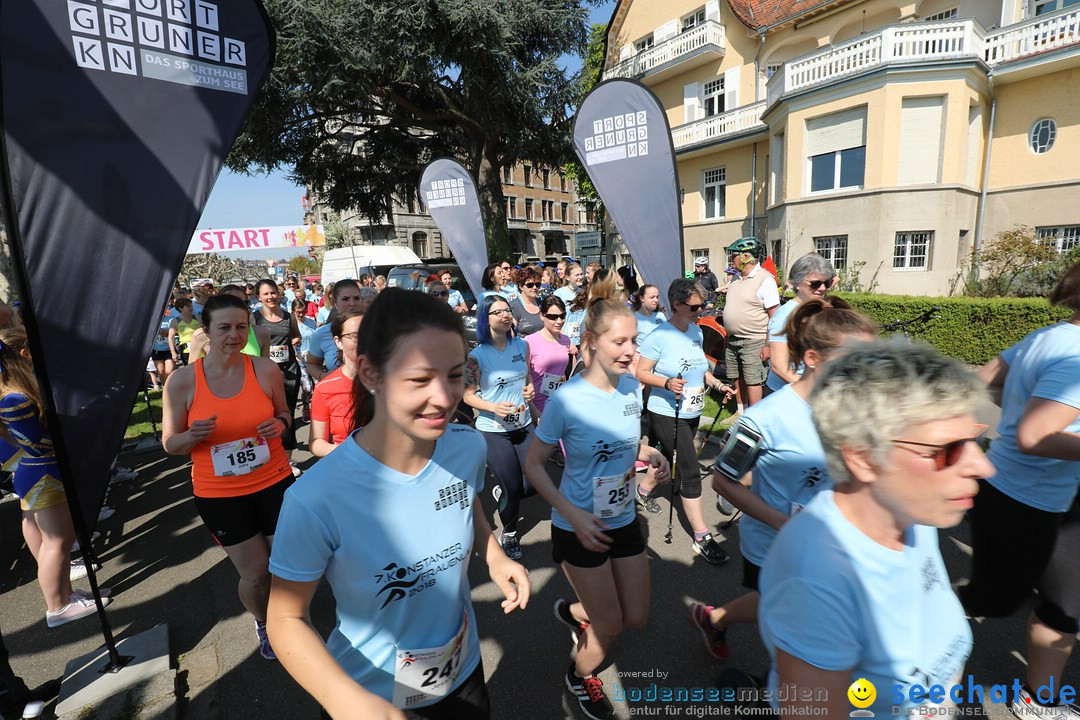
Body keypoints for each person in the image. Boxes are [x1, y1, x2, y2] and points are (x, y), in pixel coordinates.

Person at [266, 288, 529, 720]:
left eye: (455, 375)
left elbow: (468, 502)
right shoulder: (315, 497)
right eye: (420, 379)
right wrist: (347, 702)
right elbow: (285, 618)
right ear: (370, 373)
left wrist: (495, 554)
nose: (444, 398)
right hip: (370, 697)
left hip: (462, 675)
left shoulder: (466, 447)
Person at [758, 340, 992, 716]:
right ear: (864, 458)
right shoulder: (816, 578)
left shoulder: (914, 513)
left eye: (976, 439)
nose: (983, 466)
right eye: (949, 449)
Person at [689, 298, 876, 659]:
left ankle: (717, 621)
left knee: (799, 613)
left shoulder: (854, 408)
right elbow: (724, 482)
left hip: (831, 542)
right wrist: (785, 523)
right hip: (775, 546)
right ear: (812, 359)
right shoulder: (764, 419)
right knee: (796, 628)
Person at [523, 298, 671, 720]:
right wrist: (572, 513)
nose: (630, 351)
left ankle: (573, 612)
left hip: (623, 517)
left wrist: (648, 453)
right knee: (610, 626)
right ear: (591, 342)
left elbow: (619, 444)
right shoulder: (567, 401)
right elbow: (534, 465)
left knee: (636, 617)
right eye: (620, 341)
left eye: (634, 341)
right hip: (577, 526)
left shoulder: (630, 388)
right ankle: (578, 675)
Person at [961, 261, 1080, 717]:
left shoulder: (1050, 335)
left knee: (1066, 603)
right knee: (994, 600)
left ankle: (1038, 699)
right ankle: (886, 625)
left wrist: (1014, 410)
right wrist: (1023, 421)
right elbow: (1035, 436)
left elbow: (987, 378)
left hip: (1054, 498)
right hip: (1021, 500)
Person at [162, 293, 295, 660]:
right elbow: (170, 444)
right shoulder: (183, 381)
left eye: (241, 327)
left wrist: (279, 424)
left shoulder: (264, 370)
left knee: (288, 563)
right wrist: (192, 437)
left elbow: (286, 415)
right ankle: (265, 622)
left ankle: (291, 620)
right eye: (224, 328)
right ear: (205, 332)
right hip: (220, 493)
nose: (233, 335)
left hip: (274, 480)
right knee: (257, 574)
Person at [0, 328, 113, 627]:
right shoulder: (14, 397)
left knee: (54, 542)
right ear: (24, 353)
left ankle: (64, 595)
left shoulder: (18, 391)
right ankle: (58, 607)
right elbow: (33, 444)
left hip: (40, 474)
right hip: (43, 475)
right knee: (59, 542)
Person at [636, 278, 734, 561]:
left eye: (703, 305)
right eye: (695, 306)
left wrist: (717, 386)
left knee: (669, 455)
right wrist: (666, 383)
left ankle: (643, 490)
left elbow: (701, 370)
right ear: (677, 305)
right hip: (666, 412)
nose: (700, 310)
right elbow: (641, 373)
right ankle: (702, 537)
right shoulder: (658, 336)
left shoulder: (695, 332)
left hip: (691, 411)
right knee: (689, 471)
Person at [464, 295, 536, 560]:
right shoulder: (477, 356)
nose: (505, 315)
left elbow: (526, 376)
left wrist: (529, 392)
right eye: (498, 312)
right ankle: (509, 532)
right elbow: (467, 396)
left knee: (533, 484)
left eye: (507, 310)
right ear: (486, 319)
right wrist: (493, 407)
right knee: (514, 488)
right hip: (493, 429)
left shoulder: (523, 345)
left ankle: (502, 490)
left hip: (524, 423)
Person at [762, 254, 835, 397]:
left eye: (827, 283)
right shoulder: (785, 316)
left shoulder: (822, 309)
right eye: (815, 283)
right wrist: (809, 391)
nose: (822, 288)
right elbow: (779, 366)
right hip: (786, 394)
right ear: (797, 283)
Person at [721, 237, 780, 410]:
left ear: (746, 256)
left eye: (734, 255)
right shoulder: (736, 278)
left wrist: (768, 345)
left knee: (753, 380)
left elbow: (774, 316)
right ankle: (741, 412)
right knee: (736, 377)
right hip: (733, 339)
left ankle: (754, 416)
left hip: (754, 340)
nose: (732, 259)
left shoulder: (765, 279)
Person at [254, 279, 303, 477]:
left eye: (273, 293)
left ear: (279, 294)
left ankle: (287, 460)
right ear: (259, 297)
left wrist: (295, 340)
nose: (270, 297)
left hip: (290, 371)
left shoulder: (289, 317)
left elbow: (295, 336)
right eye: (265, 294)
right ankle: (266, 457)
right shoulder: (254, 318)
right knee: (265, 414)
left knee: (287, 414)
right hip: (264, 373)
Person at [309, 309, 364, 458]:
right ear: (338, 342)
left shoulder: (390, 382)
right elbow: (316, 442)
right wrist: (342, 451)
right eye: (355, 336)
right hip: (347, 467)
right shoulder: (325, 388)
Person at [306, 279, 363, 381]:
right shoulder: (322, 334)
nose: (352, 303)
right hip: (338, 392)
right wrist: (323, 377)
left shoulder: (376, 329)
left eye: (356, 298)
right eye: (345, 299)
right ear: (334, 302)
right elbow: (311, 364)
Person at [525, 296, 571, 420]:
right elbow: (524, 376)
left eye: (562, 316)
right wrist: (532, 409)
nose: (559, 321)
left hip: (560, 401)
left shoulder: (566, 340)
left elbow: (562, 372)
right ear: (542, 316)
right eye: (553, 317)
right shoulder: (529, 341)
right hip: (538, 404)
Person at [292, 299, 317, 423]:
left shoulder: (312, 323)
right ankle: (306, 409)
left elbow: (317, 339)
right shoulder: (291, 325)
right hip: (300, 361)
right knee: (307, 388)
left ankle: (319, 411)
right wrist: (295, 353)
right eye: (298, 312)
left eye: (303, 312)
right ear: (293, 312)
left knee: (318, 387)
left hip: (314, 360)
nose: (301, 314)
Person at [509, 266, 544, 336]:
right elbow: (510, 334)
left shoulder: (543, 304)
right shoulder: (513, 306)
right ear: (521, 286)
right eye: (530, 285)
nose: (534, 288)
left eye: (537, 285)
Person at [630, 284, 666, 349]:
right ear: (641, 298)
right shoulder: (633, 319)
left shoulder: (660, 316)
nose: (656, 300)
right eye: (652, 297)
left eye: (657, 297)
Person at [151, 301, 177, 386]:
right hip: (156, 349)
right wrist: (157, 332)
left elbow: (176, 331)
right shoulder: (152, 320)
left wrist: (168, 332)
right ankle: (166, 387)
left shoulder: (170, 318)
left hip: (168, 348)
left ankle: (173, 387)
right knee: (161, 372)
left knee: (169, 371)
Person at [169, 298, 200, 366]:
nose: (191, 308)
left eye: (191, 306)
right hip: (186, 350)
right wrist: (173, 352)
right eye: (188, 306)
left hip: (199, 348)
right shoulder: (175, 321)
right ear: (180, 308)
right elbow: (171, 338)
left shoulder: (198, 318)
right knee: (191, 371)